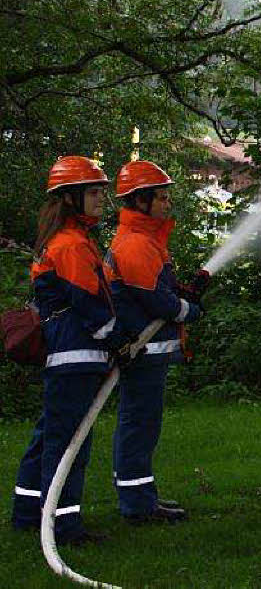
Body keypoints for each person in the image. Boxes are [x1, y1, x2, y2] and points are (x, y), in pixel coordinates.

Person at [11, 156, 119, 546]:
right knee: (69, 443)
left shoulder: (67, 240)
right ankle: (64, 525)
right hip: (77, 356)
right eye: (93, 193)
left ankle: (27, 513)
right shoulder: (71, 245)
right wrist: (116, 340)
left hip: (70, 356)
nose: (101, 200)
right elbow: (89, 304)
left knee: (49, 437)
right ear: (70, 198)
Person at [105, 160, 203, 524]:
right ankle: (138, 506)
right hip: (142, 351)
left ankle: (138, 498)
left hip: (147, 351)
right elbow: (155, 301)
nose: (167, 204)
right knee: (139, 425)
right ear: (140, 201)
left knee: (140, 424)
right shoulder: (135, 244)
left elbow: (160, 290)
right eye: (160, 198)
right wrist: (188, 309)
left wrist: (183, 293)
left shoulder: (145, 241)